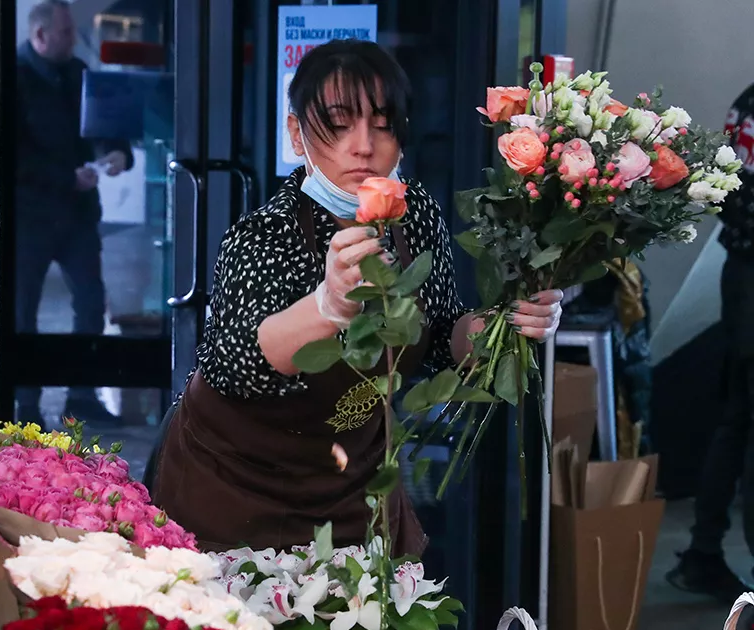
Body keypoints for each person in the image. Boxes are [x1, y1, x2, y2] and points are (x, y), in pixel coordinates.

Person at [149, 41, 563, 553]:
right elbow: (237, 364)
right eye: (339, 123)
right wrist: (328, 306)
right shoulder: (265, 234)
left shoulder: (415, 216)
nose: (364, 145)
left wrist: (503, 325)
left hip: (352, 488)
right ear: (297, 134)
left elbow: (437, 338)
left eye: (383, 123)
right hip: (234, 488)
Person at [15, 0, 134, 426]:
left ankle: (81, 397)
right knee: (22, 310)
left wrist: (118, 152)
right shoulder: (12, 78)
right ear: (40, 35)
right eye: (65, 33)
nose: (73, 39)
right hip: (31, 216)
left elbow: (106, 126)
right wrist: (68, 178)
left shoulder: (79, 73)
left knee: (90, 301)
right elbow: (12, 157)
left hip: (78, 214)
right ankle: (25, 404)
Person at [666, 82, 754, 600]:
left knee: (738, 419)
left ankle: (703, 551)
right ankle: (704, 552)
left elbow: (727, 194)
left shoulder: (745, 102)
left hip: (741, 274)